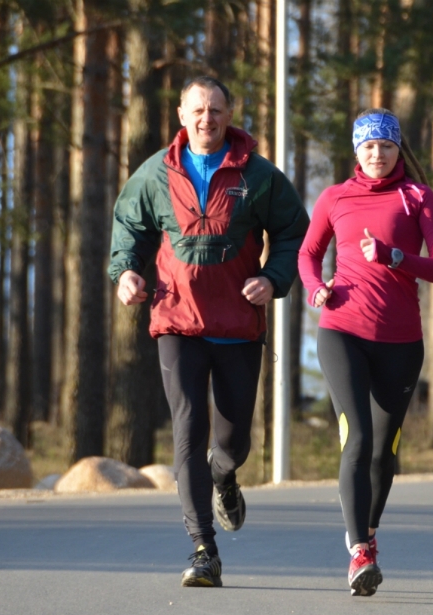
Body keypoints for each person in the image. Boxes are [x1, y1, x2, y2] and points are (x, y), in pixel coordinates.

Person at [108, 75, 309, 587]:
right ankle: (203, 549)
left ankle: (225, 475)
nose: (207, 119)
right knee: (188, 426)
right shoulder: (156, 173)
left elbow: (293, 232)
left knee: (233, 437)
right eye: (198, 109)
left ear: (229, 114)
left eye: (216, 110)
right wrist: (126, 272)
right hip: (177, 319)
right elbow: (129, 227)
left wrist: (272, 277)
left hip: (238, 324)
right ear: (181, 114)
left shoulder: (258, 175)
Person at [298, 108, 433, 596]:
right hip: (341, 330)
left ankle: (368, 533)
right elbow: (307, 253)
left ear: (398, 149)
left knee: (385, 452)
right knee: (359, 438)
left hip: (401, 341)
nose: (377, 154)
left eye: (386, 146)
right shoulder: (334, 197)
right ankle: (359, 549)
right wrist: (314, 288)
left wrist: (394, 258)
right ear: (356, 150)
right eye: (368, 146)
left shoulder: (418, 198)